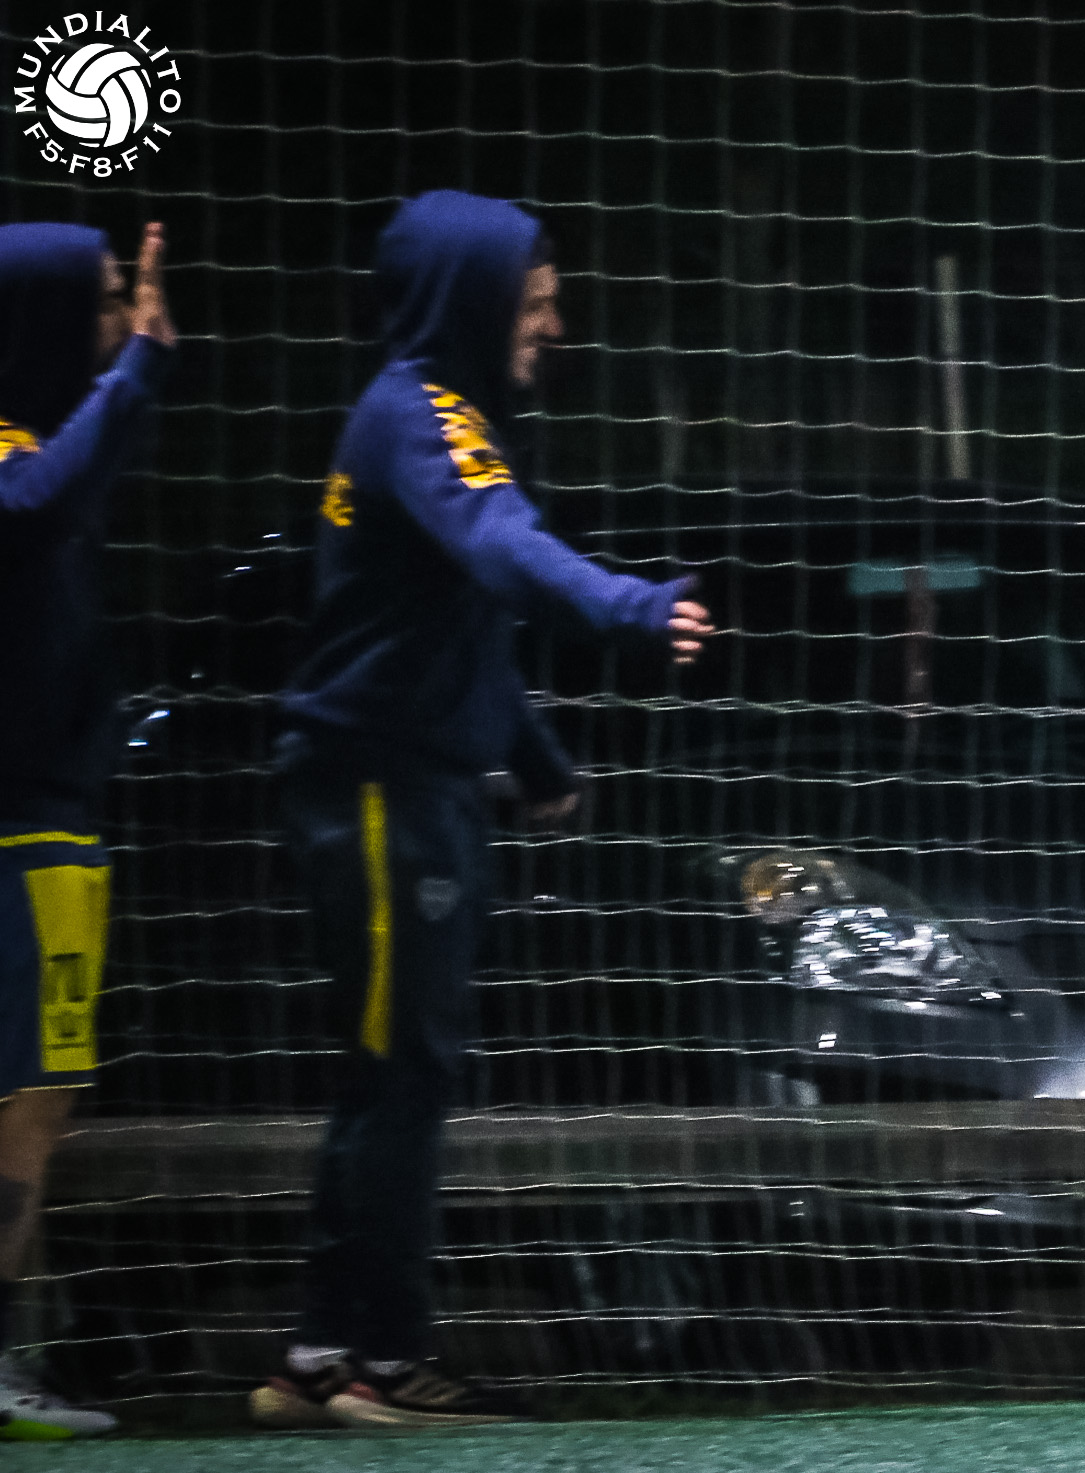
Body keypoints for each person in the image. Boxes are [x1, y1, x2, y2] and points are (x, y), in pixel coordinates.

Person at [249, 191, 714, 1431]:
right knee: (405, 1074)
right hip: (383, 791)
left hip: (407, 782)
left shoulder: (428, 412)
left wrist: (538, 759)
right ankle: (384, 1363)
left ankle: (321, 1354)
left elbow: (454, 624)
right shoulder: (427, 416)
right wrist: (629, 605)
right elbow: (505, 547)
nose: (550, 326)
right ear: (471, 299)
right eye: (533, 302)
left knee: (387, 1073)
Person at [0, 220, 175, 1440]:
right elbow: (35, 499)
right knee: (26, 1096)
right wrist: (142, 364)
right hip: (19, 831)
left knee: (34, 1093)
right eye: (107, 301)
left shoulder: (38, 439)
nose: (124, 318)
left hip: (43, 820)